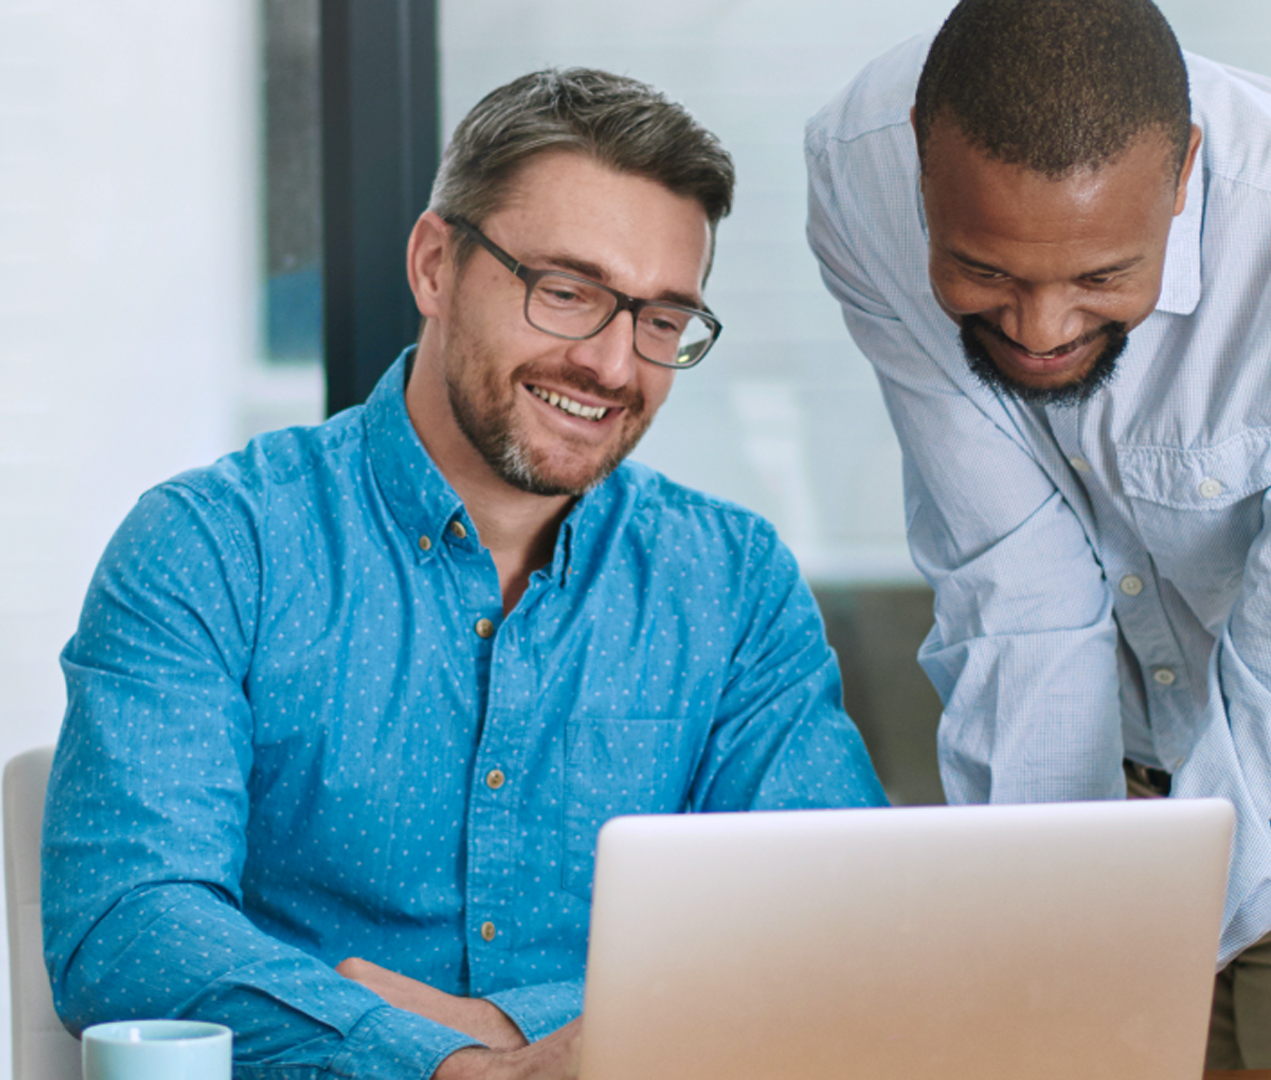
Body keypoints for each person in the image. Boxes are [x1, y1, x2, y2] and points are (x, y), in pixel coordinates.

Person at [43, 68, 887, 1080]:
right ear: (436, 265)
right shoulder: (216, 547)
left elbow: (835, 922)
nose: (616, 367)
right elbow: (131, 926)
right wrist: (445, 1067)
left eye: (661, 320)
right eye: (567, 293)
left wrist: (513, 1030)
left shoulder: (733, 586)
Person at [805, 0, 1271, 1068]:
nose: (1039, 330)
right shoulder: (857, 171)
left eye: (1101, 278)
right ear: (920, 155)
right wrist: (1057, 934)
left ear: (1185, 173)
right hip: (1106, 771)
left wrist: (1116, 947)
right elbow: (1016, 587)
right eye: (989, 274)